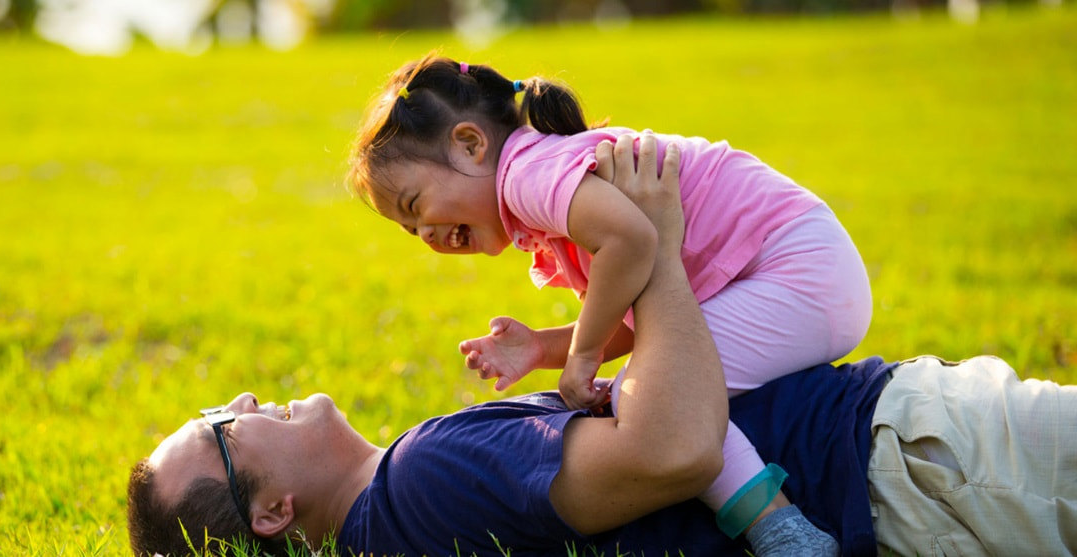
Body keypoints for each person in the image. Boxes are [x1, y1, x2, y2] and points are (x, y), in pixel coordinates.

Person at [126, 140, 1076, 556]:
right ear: (272, 512)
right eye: (222, 428)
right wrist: (650, 240)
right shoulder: (420, 482)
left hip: (908, 461)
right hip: (908, 461)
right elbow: (672, 443)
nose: (241, 401)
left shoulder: (408, 497)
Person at [346, 53, 871, 540]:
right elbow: (641, 312)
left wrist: (583, 357)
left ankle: (784, 536)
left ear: (470, 143)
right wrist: (543, 348)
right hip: (811, 270)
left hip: (798, 273)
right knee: (660, 379)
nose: (427, 235)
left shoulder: (525, 178)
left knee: (647, 400)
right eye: (410, 231)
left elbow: (634, 238)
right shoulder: (541, 178)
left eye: (416, 206)